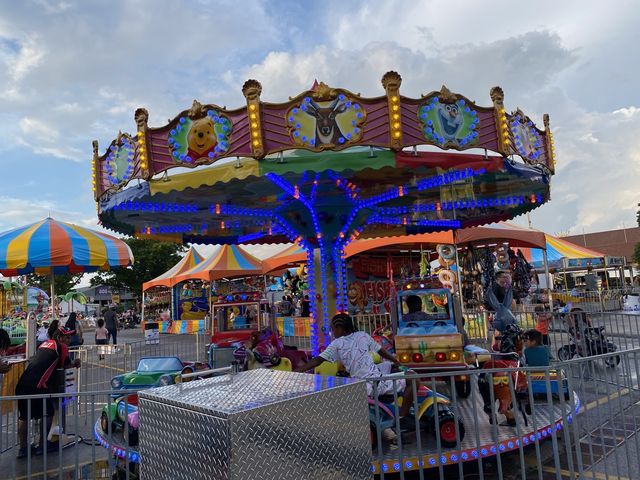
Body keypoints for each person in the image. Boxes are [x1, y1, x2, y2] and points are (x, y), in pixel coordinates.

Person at [295, 313, 418, 430]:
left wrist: (296, 371)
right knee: (414, 378)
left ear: (340, 328)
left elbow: (317, 360)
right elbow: (380, 351)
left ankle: (400, 409)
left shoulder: (337, 343)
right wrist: (396, 361)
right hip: (372, 383)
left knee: (389, 367)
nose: (331, 333)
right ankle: (402, 417)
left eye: (332, 329)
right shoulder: (362, 335)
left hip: (369, 379)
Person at [15, 326, 81, 458]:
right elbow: (66, 365)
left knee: (24, 416)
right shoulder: (61, 347)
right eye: (67, 337)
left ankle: (23, 449)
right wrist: (76, 363)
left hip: (22, 383)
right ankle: (43, 445)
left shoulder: (44, 344)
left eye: (70, 337)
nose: (69, 340)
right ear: (59, 337)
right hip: (37, 386)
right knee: (49, 412)